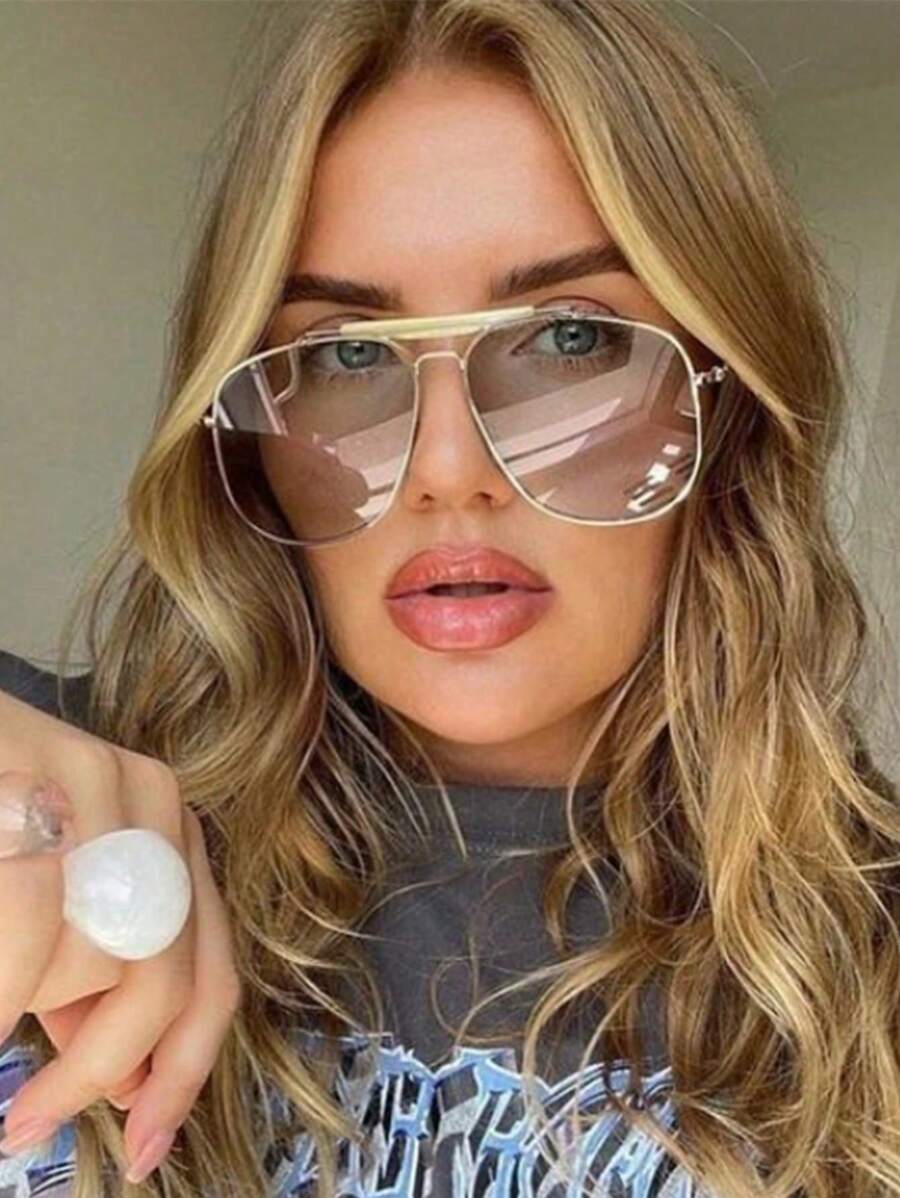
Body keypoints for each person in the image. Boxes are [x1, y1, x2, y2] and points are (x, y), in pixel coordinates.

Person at [1, 0, 897, 1194]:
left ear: (722, 399)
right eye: (347, 353)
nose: (446, 469)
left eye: (571, 339)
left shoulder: (871, 960)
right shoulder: (53, 801)